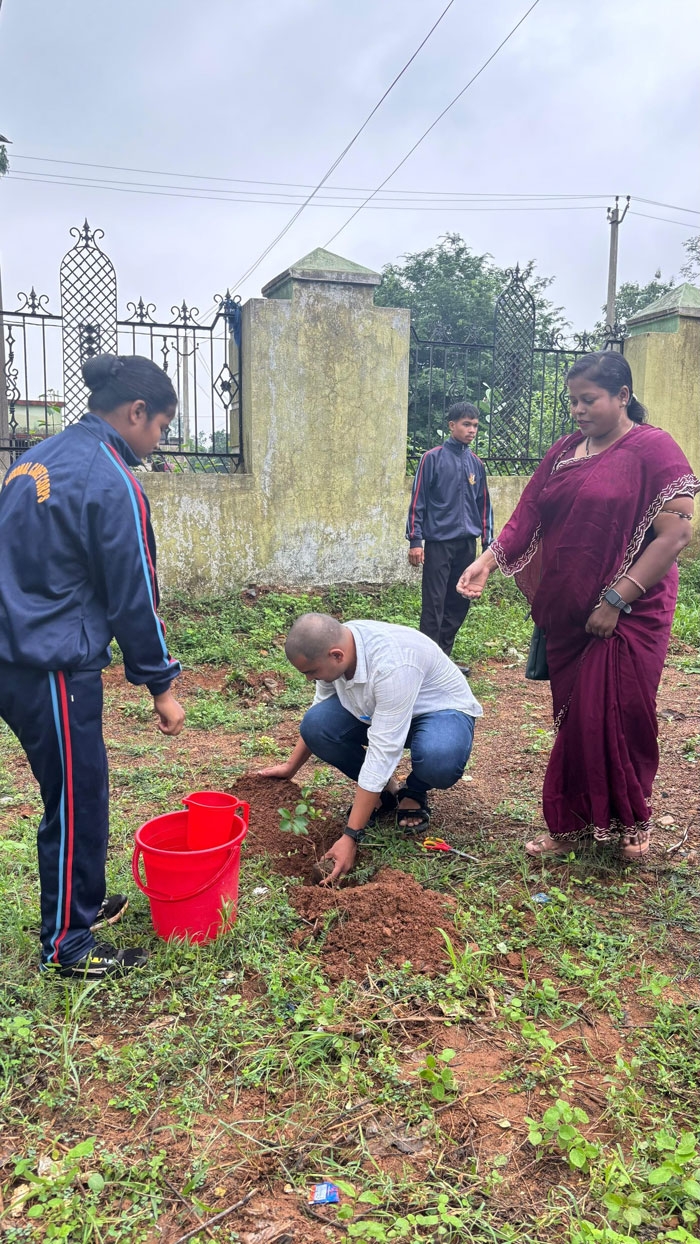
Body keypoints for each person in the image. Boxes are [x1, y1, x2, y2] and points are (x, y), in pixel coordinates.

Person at [457, 351, 699, 860]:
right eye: (573, 401)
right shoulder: (567, 449)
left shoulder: (654, 450)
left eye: (588, 400)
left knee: (623, 713)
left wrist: (615, 600)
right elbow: (528, 513)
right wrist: (488, 562)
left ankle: (634, 825)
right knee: (576, 719)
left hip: (633, 611)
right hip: (569, 609)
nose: (578, 410)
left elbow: (676, 534)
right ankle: (568, 824)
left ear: (623, 396)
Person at [0, 354, 185, 978]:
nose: (157, 441)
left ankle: (79, 898)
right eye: (160, 427)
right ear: (136, 413)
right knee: (77, 797)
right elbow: (134, 590)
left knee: (76, 788)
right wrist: (160, 682)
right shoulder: (111, 478)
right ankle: (67, 944)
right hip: (49, 660)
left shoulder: (32, 459)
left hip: (14, 647)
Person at [258, 613, 482, 882]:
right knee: (317, 725)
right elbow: (318, 714)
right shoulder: (336, 650)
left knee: (439, 758)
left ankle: (416, 790)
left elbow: (383, 749)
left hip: (438, 712)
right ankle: (384, 793)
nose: (309, 679)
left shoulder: (392, 665)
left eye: (311, 673)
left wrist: (351, 836)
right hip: (381, 710)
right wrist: (290, 767)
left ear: (337, 655)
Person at [407, 402, 493, 665]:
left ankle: (442, 659)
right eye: (466, 424)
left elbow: (484, 506)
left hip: (467, 545)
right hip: (439, 543)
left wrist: (488, 545)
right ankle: (427, 662)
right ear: (452, 425)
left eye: (476, 425)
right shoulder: (431, 458)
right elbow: (418, 501)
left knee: (460, 601)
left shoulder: (476, 464)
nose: (472, 430)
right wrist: (415, 540)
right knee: (434, 602)